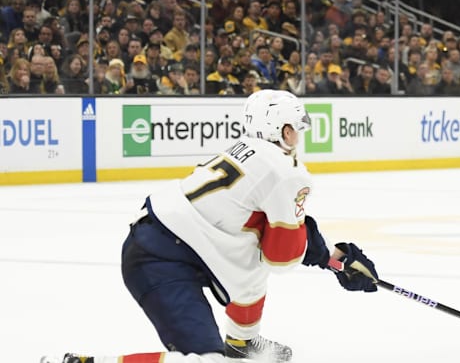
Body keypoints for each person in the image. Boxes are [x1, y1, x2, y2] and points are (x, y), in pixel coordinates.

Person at [41, 89, 379, 363]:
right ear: (285, 131)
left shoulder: (248, 151)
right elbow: (282, 257)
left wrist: (334, 258)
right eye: (297, 128)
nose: (299, 135)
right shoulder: (286, 171)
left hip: (166, 241)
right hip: (162, 258)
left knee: (248, 260)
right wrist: (331, 259)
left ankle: (242, 343)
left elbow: (273, 223)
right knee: (205, 361)